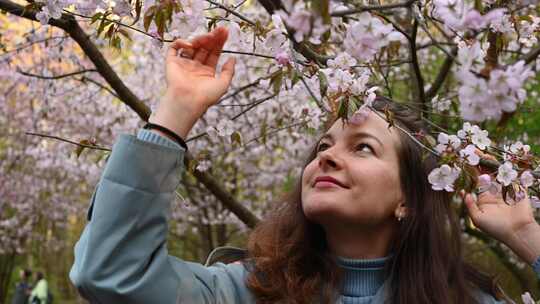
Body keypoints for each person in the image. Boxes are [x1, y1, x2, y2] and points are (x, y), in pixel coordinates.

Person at [69, 26, 540, 303]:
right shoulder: (247, 291)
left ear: (408, 200)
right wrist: (175, 112)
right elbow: (112, 273)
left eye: (363, 148)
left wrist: (526, 238)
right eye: (321, 146)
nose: (328, 155)